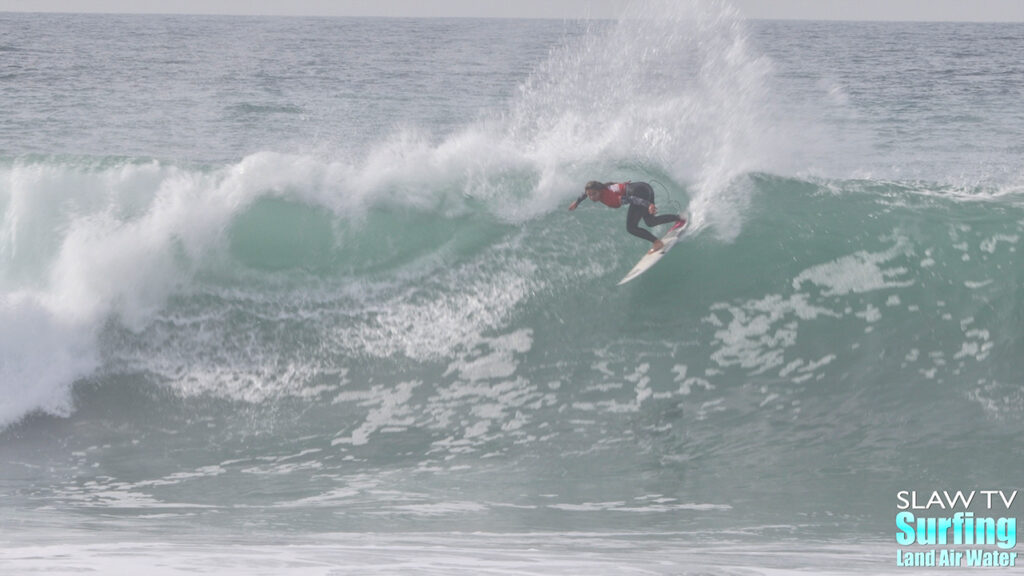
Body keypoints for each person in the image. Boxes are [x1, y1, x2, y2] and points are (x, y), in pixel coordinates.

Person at [568, 180, 685, 252]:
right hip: (644, 187)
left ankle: (657, 242)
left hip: (639, 193)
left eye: (594, 194)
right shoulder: (601, 187)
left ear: (599, 191)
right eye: (590, 195)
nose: (592, 197)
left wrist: (648, 204)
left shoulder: (609, 197)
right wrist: (577, 202)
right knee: (650, 221)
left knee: (631, 228)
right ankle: (679, 218)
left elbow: (631, 199)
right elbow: (586, 192)